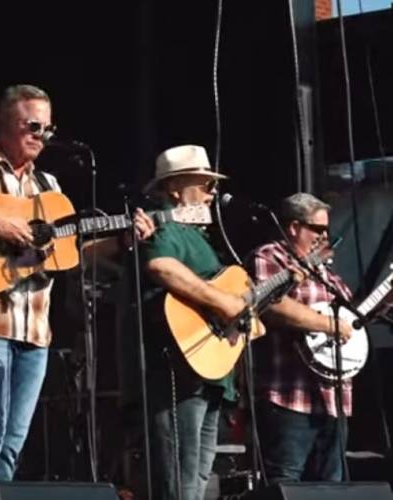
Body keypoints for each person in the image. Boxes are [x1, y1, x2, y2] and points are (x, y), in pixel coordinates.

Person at [0, 84, 154, 499]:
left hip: (34, 332)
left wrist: (123, 241)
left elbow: (70, 254)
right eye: (32, 125)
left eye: (48, 127)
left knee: (12, 444)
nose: (41, 135)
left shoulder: (49, 186)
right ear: (4, 122)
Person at [139, 144, 247, 500]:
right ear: (173, 189)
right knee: (181, 483)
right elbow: (160, 267)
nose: (212, 192)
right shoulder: (164, 228)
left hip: (212, 372)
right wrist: (222, 302)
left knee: (198, 480)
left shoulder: (200, 237)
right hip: (181, 369)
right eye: (203, 184)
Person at [249, 193, 353, 483]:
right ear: (294, 227)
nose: (324, 236)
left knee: (331, 486)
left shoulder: (327, 273)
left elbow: (351, 322)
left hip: (333, 398)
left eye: (326, 230)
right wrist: (327, 324)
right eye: (317, 229)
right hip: (288, 394)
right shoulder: (271, 256)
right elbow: (270, 305)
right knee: (286, 482)